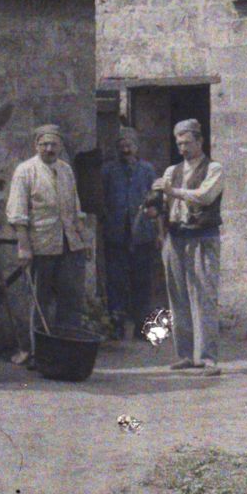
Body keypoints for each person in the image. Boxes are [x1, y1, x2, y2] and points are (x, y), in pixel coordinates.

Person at [5, 124, 90, 344]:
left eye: (53, 144)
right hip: (41, 245)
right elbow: (18, 214)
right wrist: (24, 247)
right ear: (36, 146)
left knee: (70, 299)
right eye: (44, 144)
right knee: (40, 301)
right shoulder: (25, 171)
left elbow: (75, 208)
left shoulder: (66, 170)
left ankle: (68, 347)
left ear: (60, 146)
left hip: (69, 244)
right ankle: (39, 351)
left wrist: (83, 238)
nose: (49, 149)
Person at [152, 118, 224, 372]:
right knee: (178, 297)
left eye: (187, 143)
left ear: (200, 141)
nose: (182, 148)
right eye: (179, 143)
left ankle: (207, 357)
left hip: (202, 237)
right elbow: (164, 204)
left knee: (204, 296)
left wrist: (173, 192)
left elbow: (205, 196)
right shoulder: (172, 171)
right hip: (176, 237)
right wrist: (155, 205)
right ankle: (185, 354)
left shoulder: (214, 168)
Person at [100, 125, 159, 341]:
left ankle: (142, 326)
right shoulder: (108, 170)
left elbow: (155, 198)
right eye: (122, 145)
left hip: (142, 235)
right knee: (116, 281)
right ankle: (116, 325)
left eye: (130, 145)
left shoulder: (147, 170)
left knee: (142, 281)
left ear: (137, 147)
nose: (126, 149)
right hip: (115, 235)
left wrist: (153, 219)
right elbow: (102, 199)